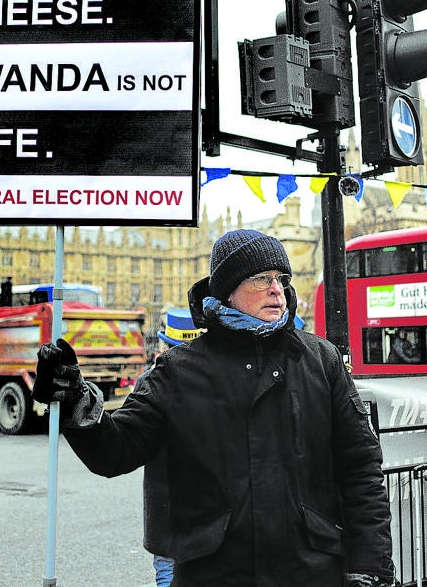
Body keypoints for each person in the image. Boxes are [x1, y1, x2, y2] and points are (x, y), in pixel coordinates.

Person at [34, 229, 394, 587]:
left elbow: (360, 469)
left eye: (281, 279)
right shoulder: (179, 370)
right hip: (215, 573)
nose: (277, 289)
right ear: (228, 291)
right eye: (261, 279)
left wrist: (370, 568)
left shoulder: (320, 359)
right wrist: (77, 401)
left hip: (310, 572)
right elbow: (117, 450)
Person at [144, 309, 203, 587]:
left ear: (166, 344)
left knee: (166, 567)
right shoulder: (215, 378)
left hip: (165, 495)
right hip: (210, 499)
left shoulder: (150, 382)